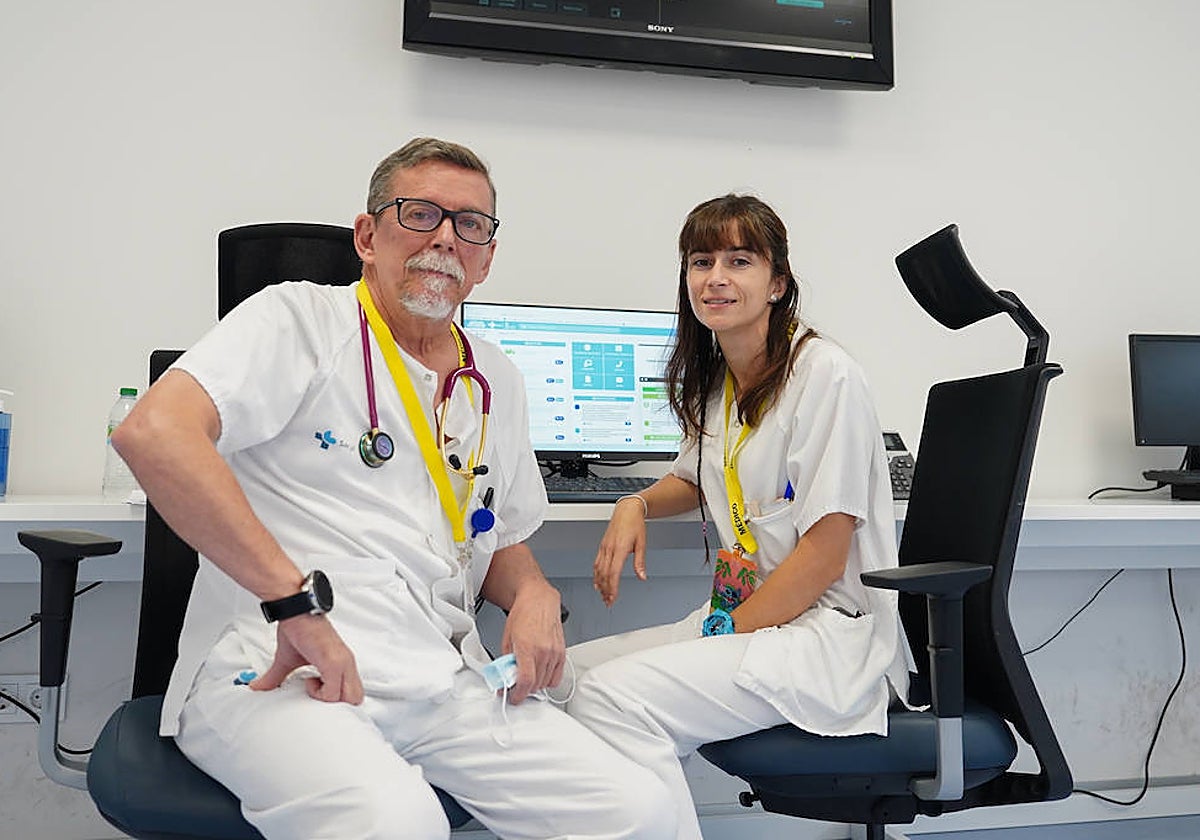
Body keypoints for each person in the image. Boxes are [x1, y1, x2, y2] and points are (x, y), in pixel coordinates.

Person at [113, 137, 675, 840]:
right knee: (395, 822)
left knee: (637, 810)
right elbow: (153, 432)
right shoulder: (298, 321)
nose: (446, 237)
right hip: (277, 665)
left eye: (470, 224)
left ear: (487, 258)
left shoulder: (494, 376)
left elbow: (496, 534)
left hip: (440, 676)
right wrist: (295, 604)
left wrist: (533, 594)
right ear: (367, 235)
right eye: (420, 213)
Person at [566, 194, 912, 840]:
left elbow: (824, 555)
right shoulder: (720, 379)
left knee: (613, 699)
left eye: (739, 260)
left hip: (825, 637)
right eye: (701, 261)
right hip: (752, 621)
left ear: (778, 282)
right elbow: (694, 477)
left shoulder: (825, 375)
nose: (716, 277)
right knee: (563, 677)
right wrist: (632, 502)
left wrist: (727, 634)